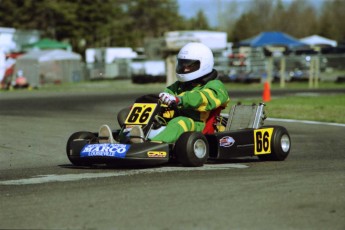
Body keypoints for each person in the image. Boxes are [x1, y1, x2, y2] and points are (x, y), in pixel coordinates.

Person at [99, 42, 230, 143]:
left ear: (203, 64)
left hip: (198, 125)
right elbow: (164, 98)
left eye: (189, 65)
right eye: (183, 64)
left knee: (180, 122)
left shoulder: (215, 86)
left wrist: (179, 100)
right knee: (137, 116)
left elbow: (202, 98)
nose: (185, 69)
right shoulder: (179, 86)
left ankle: (152, 145)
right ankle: (123, 141)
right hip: (173, 120)